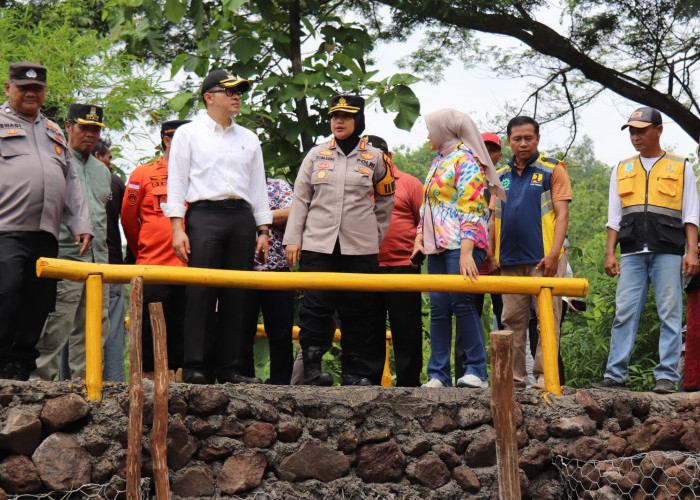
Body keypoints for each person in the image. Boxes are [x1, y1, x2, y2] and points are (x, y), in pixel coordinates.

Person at [163, 70, 272, 385]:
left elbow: (258, 188)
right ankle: (196, 365)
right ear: (209, 97)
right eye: (229, 91)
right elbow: (177, 183)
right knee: (201, 292)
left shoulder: (249, 138)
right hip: (203, 215)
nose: (237, 96)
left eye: (240, 91)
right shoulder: (189, 133)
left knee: (236, 294)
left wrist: (263, 230)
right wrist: (177, 227)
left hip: (241, 217)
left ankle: (231, 368)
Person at [284, 95, 395, 386]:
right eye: (334, 116)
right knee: (314, 308)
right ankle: (311, 372)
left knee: (359, 310)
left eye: (346, 116)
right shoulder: (316, 154)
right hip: (318, 246)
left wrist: (375, 235)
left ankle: (354, 374)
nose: (339, 121)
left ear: (358, 120)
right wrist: (293, 239)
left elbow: (386, 200)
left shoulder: (375, 157)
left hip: (359, 249)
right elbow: (300, 199)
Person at [592, 106, 699, 394]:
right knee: (624, 313)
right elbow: (614, 216)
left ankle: (666, 376)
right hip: (631, 252)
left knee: (670, 313)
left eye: (641, 131)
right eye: (632, 132)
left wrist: (692, 252)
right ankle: (615, 376)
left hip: (669, 250)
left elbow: (691, 214)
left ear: (658, 130)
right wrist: (609, 252)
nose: (636, 137)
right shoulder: (621, 167)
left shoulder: (681, 165)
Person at [0, 62, 92, 381]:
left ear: (44, 93)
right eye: (23, 88)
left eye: (37, 89)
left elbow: (71, 181)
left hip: (45, 235)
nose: (30, 94)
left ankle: (21, 364)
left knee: (38, 302)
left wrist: (81, 223)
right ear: (8, 88)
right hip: (5, 231)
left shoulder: (54, 130)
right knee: (7, 291)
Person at [413, 109, 506, 389]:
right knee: (439, 308)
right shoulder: (439, 160)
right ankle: (438, 374)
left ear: (444, 130)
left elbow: (473, 206)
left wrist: (467, 252)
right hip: (438, 247)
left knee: (463, 304)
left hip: (463, 245)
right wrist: (420, 238)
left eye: (430, 128)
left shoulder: (466, 159)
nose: (428, 134)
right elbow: (428, 206)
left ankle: (476, 371)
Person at [491, 115, 572, 389]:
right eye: (517, 139)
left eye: (529, 138)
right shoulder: (500, 176)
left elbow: (562, 215)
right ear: (509, 141)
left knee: (548, 319)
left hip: (545, 259)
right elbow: (492, 218)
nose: (523, 143)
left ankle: (543, 376)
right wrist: (492, 254)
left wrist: (554, 254)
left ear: (537, 139)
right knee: (511, 321)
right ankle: (515, 379)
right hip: (510, 260)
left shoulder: (553, 169)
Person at [33, 104, 111, 381]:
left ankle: (87, 391)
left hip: (99, 263)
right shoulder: (55, 161)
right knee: (55, 326)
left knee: (94, 331)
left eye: (95, 129)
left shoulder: (103, 171)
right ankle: (38, 388)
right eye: (84, 127)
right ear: (68, 127)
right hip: (64, 259)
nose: (90, 134)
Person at [122, 120, 191, 380]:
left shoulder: (200, 174)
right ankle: (148, 381)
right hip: (153, 264)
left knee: (184, 328)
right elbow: (128, 219)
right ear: (167, 140)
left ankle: (182, 382)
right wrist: (142, 249)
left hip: (191, 267)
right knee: (149, 330)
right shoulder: (143, 174)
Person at [365, 135, 424, 387]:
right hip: (365, 267)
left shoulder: (409, 183)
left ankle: (409, 384)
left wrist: (420, 245)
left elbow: (424, 220)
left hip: (403, 266)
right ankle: (368, 381)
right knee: (368, 328)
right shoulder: (357, 184)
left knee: (407, 328)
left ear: (388, 157)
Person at [454, 131, 504, 381]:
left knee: (505, 319)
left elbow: (495, 221)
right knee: (466, 315)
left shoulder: (501, 181)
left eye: (491, 149)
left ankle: (505, 376)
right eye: (481, 147)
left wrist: (494, 257)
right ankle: (464, 374)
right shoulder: (462, 176)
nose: (486, 153)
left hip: (500, 264)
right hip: (471, 259)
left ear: (498, 154)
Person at [240, 177, 295, 384]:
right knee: (242, 330)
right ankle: (244, 380)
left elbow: (292, 213)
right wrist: (272, 217)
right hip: (242, 272)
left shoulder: (278, 185)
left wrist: (256, 218)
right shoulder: (236, 188)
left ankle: (281, 384)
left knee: (281, 331)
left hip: (278, 269)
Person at [93, 138, 127, 382]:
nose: (111, 164)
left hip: (74, 265)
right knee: (113, 330)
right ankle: (115, 387)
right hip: (112, 264)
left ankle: (68, 385)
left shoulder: (67, 174)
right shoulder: (114, 182)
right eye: (108, 157)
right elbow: (130, 222)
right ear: (97, 156)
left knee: (73, 330)